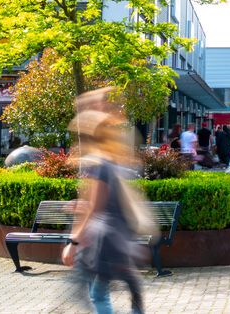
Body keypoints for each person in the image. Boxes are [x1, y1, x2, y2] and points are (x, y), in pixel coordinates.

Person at [63, 90, 149, 314]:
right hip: (121, 235)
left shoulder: (100, 165)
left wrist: (73, 243)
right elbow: (109, 201)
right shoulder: (119, 160)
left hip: (105, 239)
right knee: (115, 289)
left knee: (94, 293)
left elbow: (96, 207)